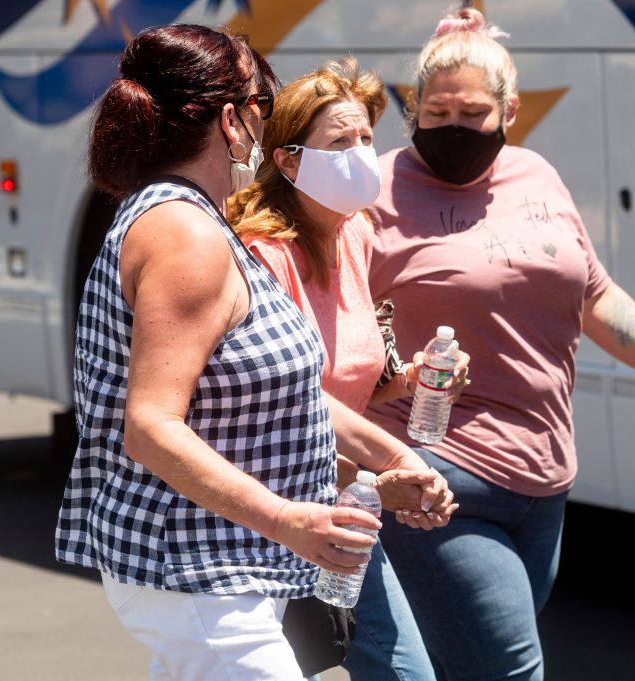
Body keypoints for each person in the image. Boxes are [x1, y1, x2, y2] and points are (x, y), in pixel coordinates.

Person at [54, 25, 447, 681]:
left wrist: (395, 457)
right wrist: (288, 519)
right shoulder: (186, 235)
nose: (267, 124)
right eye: (264, 103)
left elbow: (288, 392)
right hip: (195, 570)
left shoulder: (198, 220)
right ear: (232, 122)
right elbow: (150, 426)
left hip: (224, 567)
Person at [364, 8, 635, 681]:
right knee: (509, 670)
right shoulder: (377, 193)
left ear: (509, 112)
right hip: (437, 478)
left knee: (468, 665)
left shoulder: (535, 175)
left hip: (544, 478)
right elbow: (338, 323)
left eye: (473, 113)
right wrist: (387, 392)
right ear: (413, 108)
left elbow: (594, 294)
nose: (453, 126)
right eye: (437, 111)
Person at [227, 57, 465, 681]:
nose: (361, 153)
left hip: (341, 506)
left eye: (365, 136)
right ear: (289, 162)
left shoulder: (353, 234)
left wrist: (412, 379)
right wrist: (380, 478)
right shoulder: (262, 254)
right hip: (270, 515)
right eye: (340, 142)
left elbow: (351, 379)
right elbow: (284, 401)